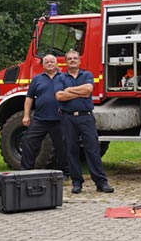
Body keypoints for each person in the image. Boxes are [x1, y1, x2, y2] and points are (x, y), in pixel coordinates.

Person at [54, 50, 113, 194]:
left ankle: (101, 182)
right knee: (71, 149)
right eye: (70, 59)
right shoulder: (60, 77)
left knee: (93, 149)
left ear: (79, 61)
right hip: (68, 118)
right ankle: (76, 182)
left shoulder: (87, 75)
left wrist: (69, 90)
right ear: (66, 62)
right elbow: (59, 96)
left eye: (75, 58)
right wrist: (79, 92)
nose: (72, 60)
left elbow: (88, 90)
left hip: (86, 117)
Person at [20, 54, 70, 176]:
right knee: (28, 142)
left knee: (63, 146)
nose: (49, 63)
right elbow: (29, 98)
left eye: (52, 61)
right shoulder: (37, 79)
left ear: (56, 63)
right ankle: (25, 171)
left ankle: (65, 173)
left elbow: (70, 95)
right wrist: (26, 115)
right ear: (42, 65)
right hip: (40, 119)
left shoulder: (64, 78)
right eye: (46, 62)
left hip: (59, 119)